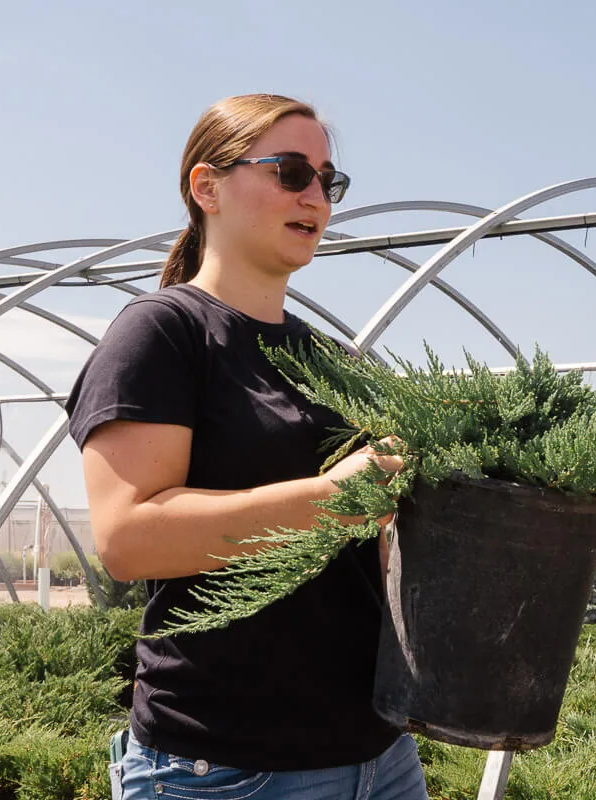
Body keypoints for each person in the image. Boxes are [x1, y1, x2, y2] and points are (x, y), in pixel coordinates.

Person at [66, 94, 429, 800]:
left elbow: (372, 555)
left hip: (382, 757)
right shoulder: (163, 333)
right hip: (226, 767)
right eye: (291, 171)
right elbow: (128, 538)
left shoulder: (334, 361)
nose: (315, 196)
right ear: (207, 188)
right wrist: (333, 498)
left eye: (328, 180)